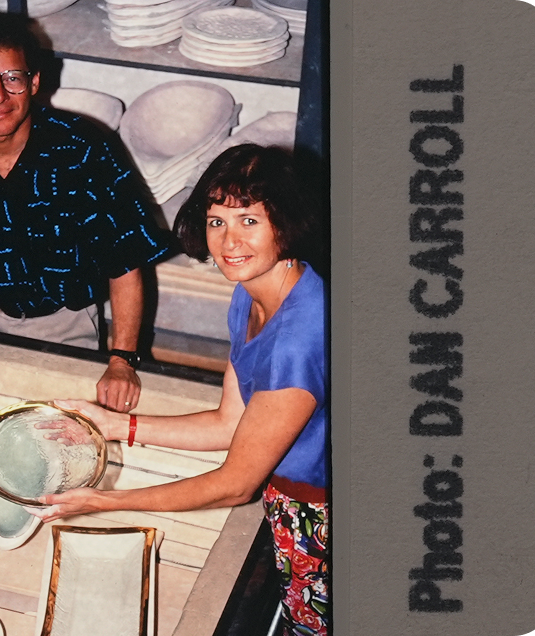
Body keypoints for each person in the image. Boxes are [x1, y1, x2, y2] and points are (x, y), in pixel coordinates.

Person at [31, 144, 329, 636]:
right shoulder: (254, 291)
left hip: (320, 511)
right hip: (288, 494)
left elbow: (236, 483)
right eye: (216, 222)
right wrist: (114, 425)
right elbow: (229, 423)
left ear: (286, 221)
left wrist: (102, 503)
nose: (229, 241)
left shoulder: (300, 339)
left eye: (248, 220)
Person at [0, 11, 171, 412]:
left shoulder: (84, 151)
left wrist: (122, 359)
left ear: (34, 81)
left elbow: (124, 262)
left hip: (68, 324)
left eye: (13, 78)